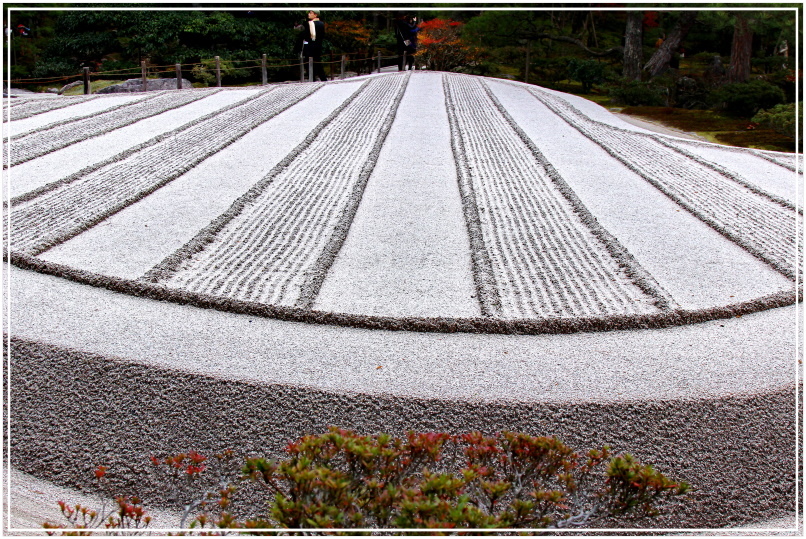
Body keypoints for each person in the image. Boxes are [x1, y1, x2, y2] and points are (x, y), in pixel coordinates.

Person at [298, 9, 326, 82]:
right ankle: (323, 79)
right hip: (318, 46)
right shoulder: (321, 24)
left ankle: (312, 80)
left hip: (310, 46)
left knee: (308, 64)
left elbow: (304, 35)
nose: (309, 14)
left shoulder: (309, 24)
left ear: (315, 15)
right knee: (318, 63)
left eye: (310, 13)